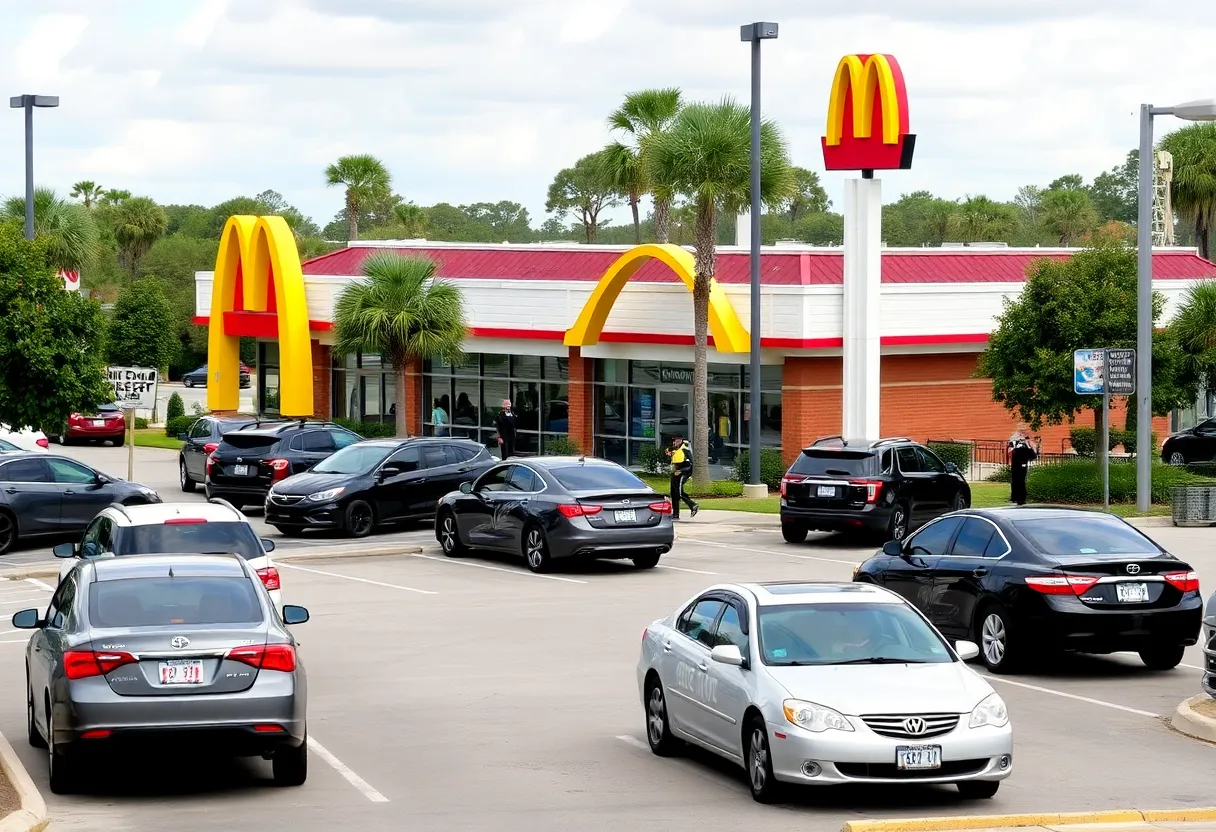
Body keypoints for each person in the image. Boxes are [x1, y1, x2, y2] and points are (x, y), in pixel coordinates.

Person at [664, 433, 698, 520]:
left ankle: (693, 505)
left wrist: (681, 471)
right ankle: (675, 514)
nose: (674, 442)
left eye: (675, 440)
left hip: (683, 472)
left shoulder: (685, 450)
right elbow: (670, 454)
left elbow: (691, 464)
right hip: (675, 472)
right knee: (674, 493)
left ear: (680, 440)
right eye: (674, 440)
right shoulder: (675, 449)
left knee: (679, 492)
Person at [1008, 425, 1038, 505]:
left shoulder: (1027, 441)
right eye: (1021, 431)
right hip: (1016, 464)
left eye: (1024, 431)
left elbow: (1033, 454)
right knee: (1015, 480)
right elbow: (1010, 451)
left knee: (1021, 481)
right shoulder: (1014, 441)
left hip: (1023, 464)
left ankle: (1021, 498)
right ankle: (1015, 497)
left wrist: (1028, 444)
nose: (1022, 433)